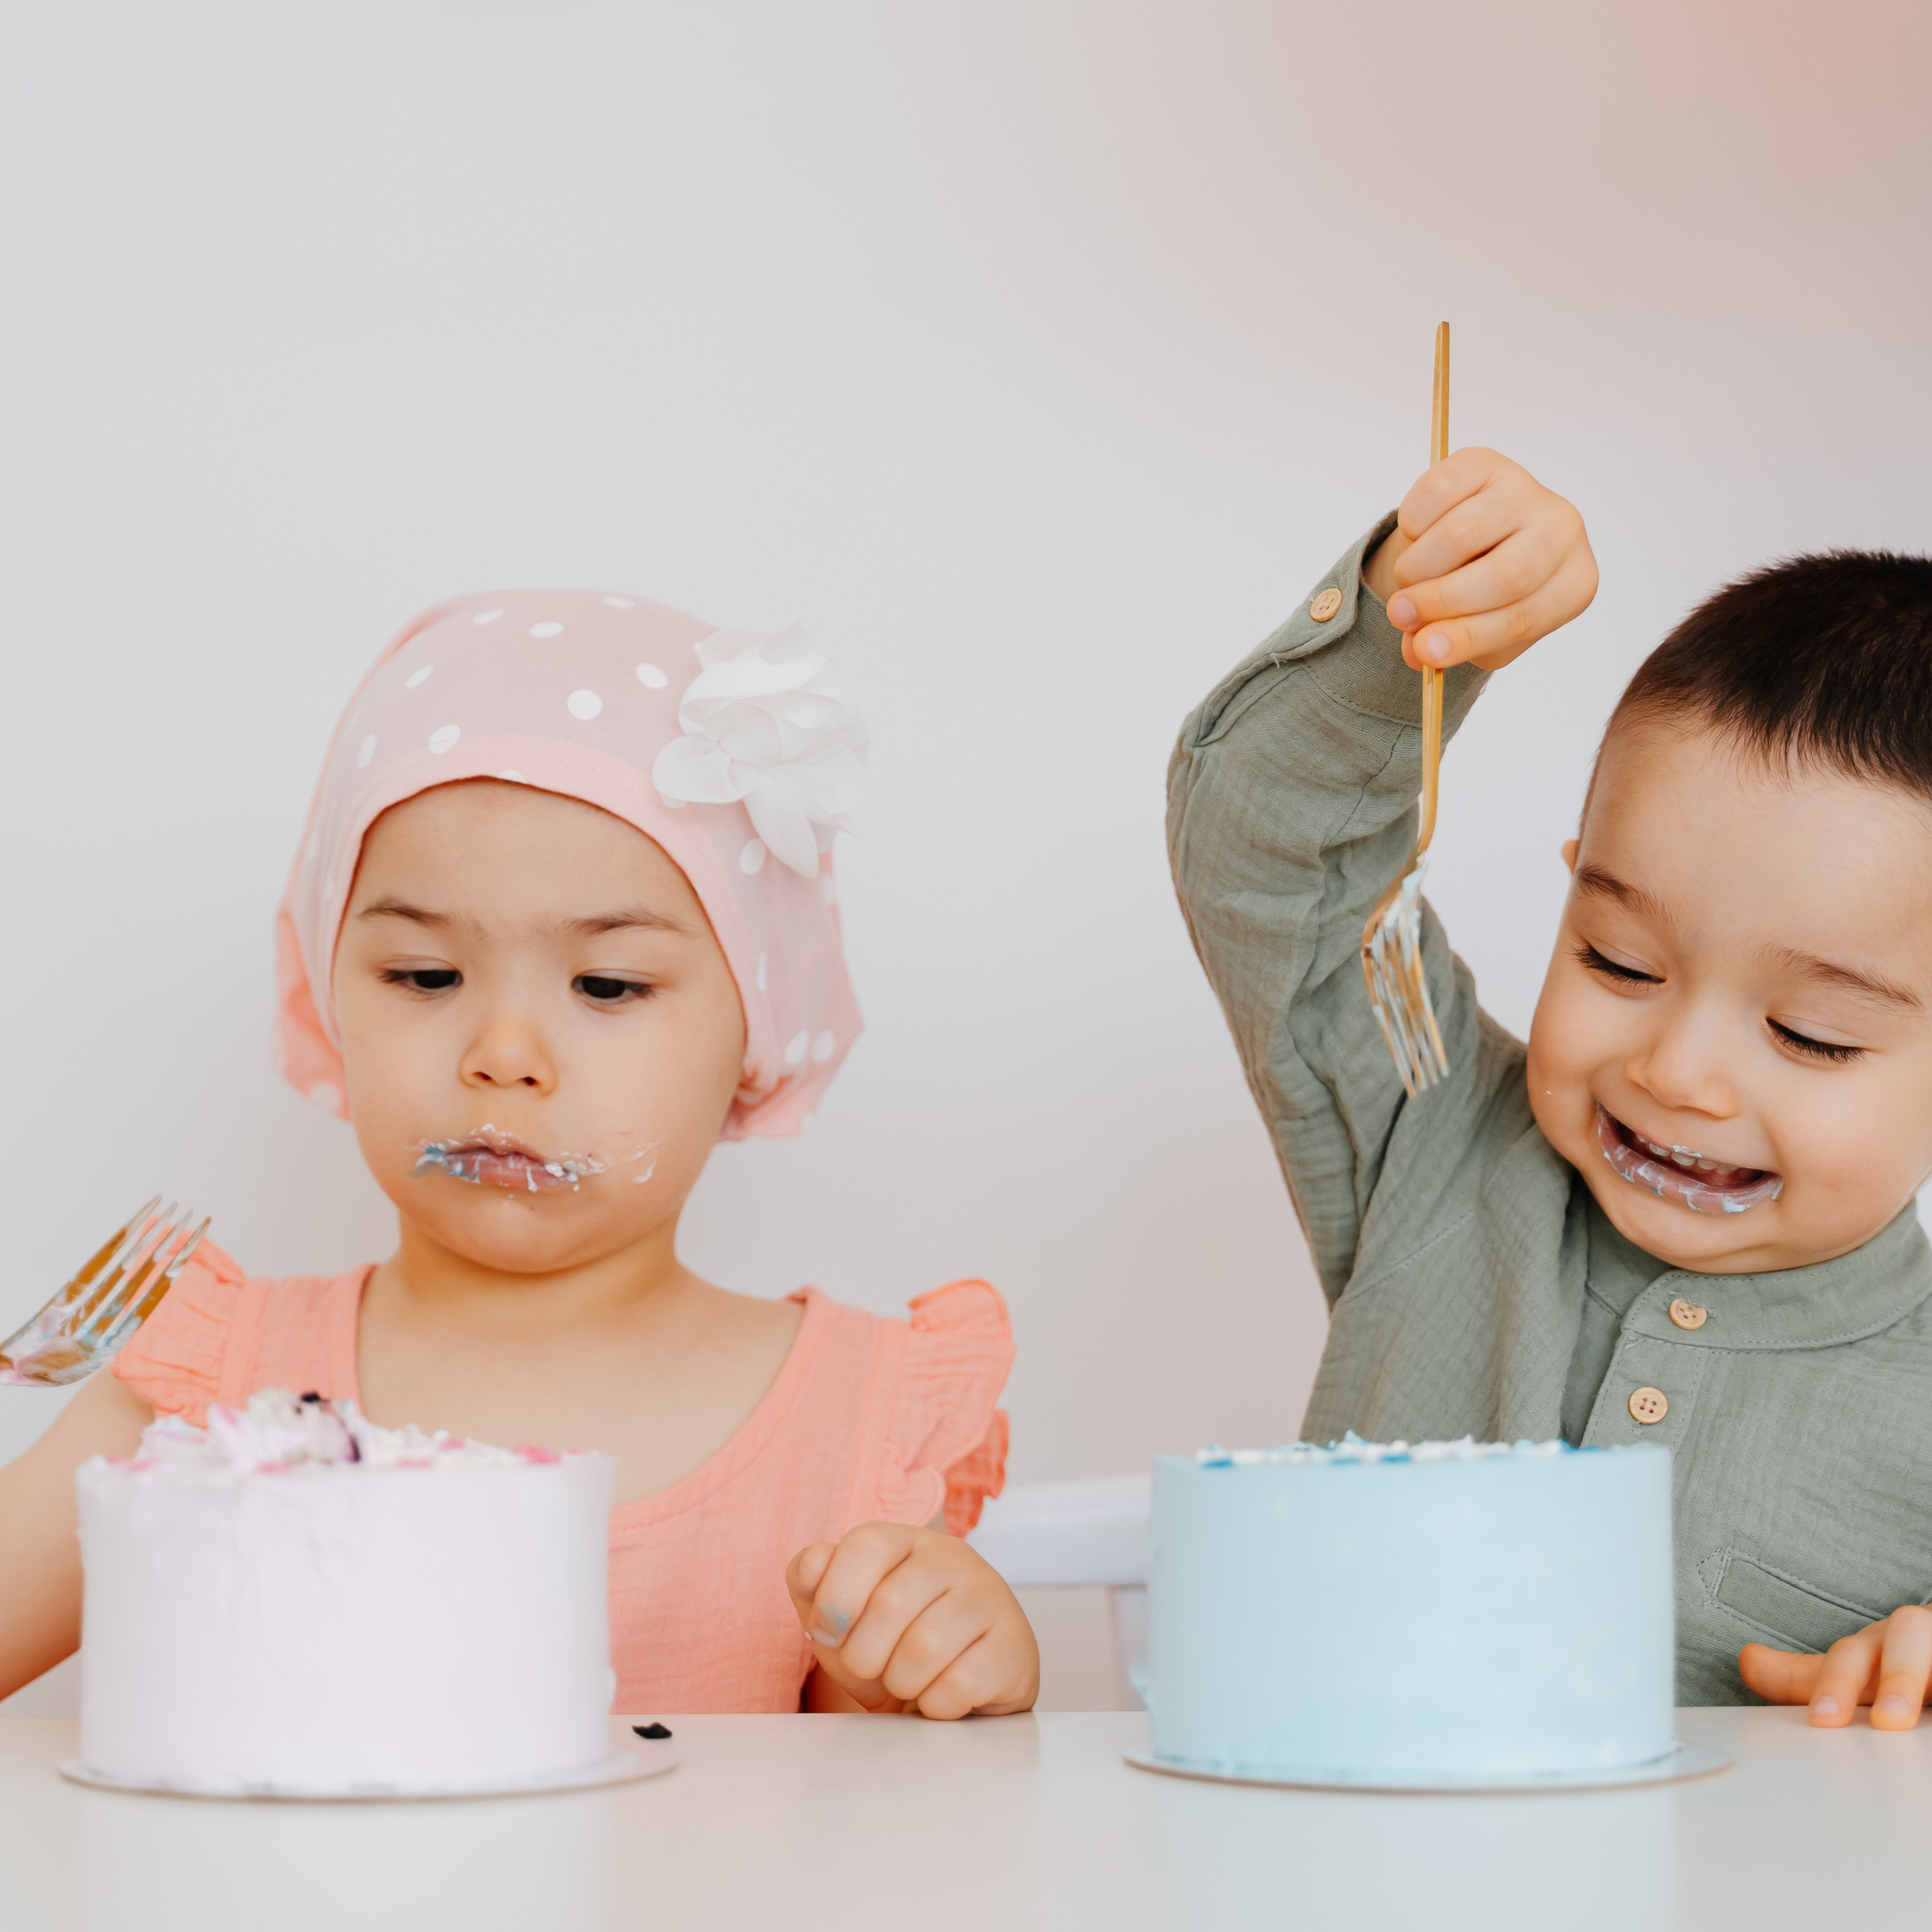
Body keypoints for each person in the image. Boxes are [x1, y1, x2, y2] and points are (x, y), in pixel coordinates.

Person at [0, 590, 1038, 1718]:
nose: (502, 1055)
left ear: (756, 1025)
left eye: (608, 985)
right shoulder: (202, 1392)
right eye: (424, 977)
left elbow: (884, 1841)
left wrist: (932, 1671)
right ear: (329, 995)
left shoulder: (855, 1422)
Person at [1168, 446, 1932, 1722]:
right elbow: (1265, 846)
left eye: (1810, 1035)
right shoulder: (1439, 1137)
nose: (1677, 1074)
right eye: (1618, 959)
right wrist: (1416, 631)